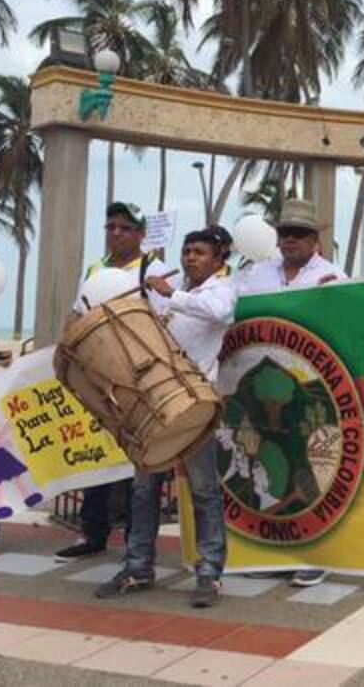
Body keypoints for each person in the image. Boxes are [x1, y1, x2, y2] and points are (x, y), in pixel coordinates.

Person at [96, 227, 236, 608]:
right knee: (144, 490)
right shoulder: (174, 295)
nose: (190, 258)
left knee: (204, 490)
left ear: (218, 260)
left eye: (199, 252)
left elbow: (220, 313)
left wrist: (170, 294)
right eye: (187, 251)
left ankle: (210, 572)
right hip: (155, 404)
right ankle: (138, 566)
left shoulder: (221, 290)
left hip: (195, 405)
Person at [233, 199, 346, 587]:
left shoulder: (333, 276)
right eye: (285, 233)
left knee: (311, 469)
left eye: (299, 233)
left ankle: (316, 555)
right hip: (262, 388)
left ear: (315, 239)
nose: (290, 240)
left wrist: (337, 300)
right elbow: (228, 309)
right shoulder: (255, 274)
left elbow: (348, 325)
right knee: (270, 469)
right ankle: (277, 553)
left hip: (310, 392)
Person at [55, 201, 167, 562]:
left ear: (141, 234)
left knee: (138, 465)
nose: (116, 233)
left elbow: (162, 322)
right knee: (95, 456)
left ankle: (136, 540)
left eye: (125, 227)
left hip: (135, 379)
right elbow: (77, 313)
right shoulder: (95, 269)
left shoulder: (153, 269)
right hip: (95, 376)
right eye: (111, 226)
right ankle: (93, 532)